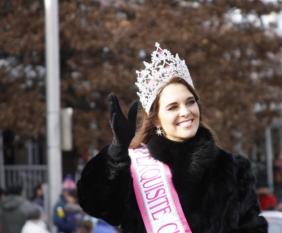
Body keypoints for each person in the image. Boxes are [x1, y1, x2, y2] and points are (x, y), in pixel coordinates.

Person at [77, 42, 267, 233]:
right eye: (173, 107)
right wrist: (115, 155)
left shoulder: (233, 169)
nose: (185, 112)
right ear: (157, 120)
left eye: (190, 102)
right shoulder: (134, 168)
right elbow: (94, 204)